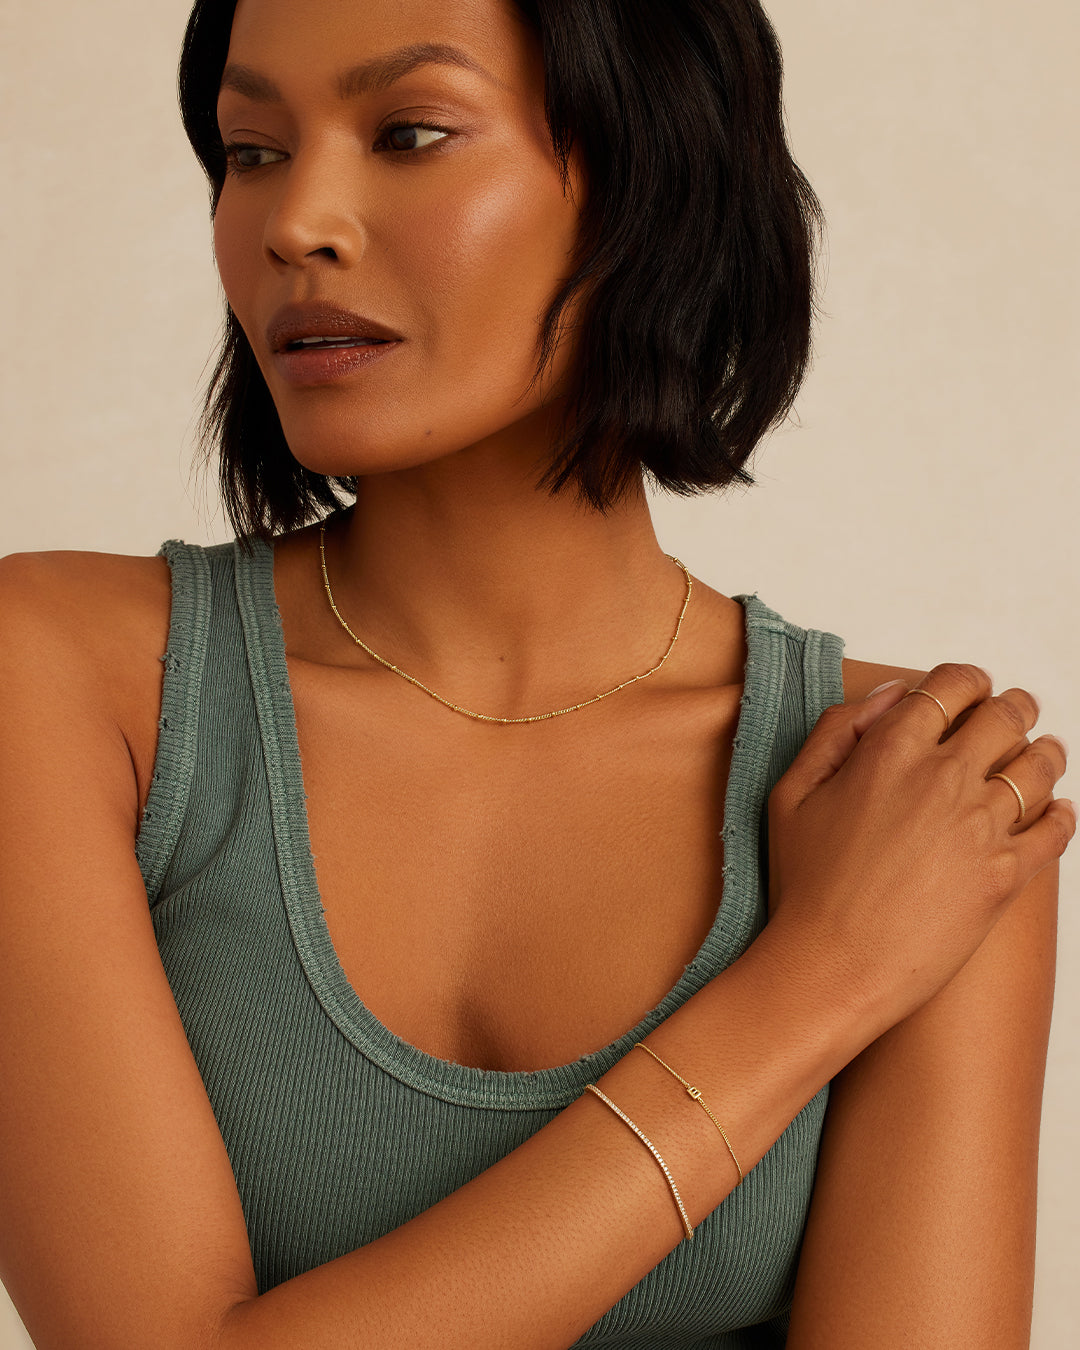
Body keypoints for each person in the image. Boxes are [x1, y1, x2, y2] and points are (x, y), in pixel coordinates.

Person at [0, 0, 1073, 1346]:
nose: (293, 222)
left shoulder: (915, 782)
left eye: (409, 133)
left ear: (647, 175)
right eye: (253, 150)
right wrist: (818, 980)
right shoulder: (66, 678)